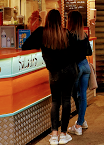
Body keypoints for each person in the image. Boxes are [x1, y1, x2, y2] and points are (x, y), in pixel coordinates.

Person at [22, 9, 77, 145]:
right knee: (66, 101)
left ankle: (54, 135)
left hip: (54, 73)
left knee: (55, 102)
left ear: (47, 19)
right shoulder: (66, 33)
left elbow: (25, 46)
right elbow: (74, 52)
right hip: (69, 71)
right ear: (59, 20)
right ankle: (63, 134)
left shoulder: (42, 32)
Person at [67, 11, 92, 136]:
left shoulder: (69, 35)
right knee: (82, 95)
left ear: (71, 21)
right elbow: (89, 52)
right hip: (85, 66)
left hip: (76, 67)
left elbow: (67, 54)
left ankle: (78, 126)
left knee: (75, 95)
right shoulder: (84, 35)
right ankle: (82, 121)